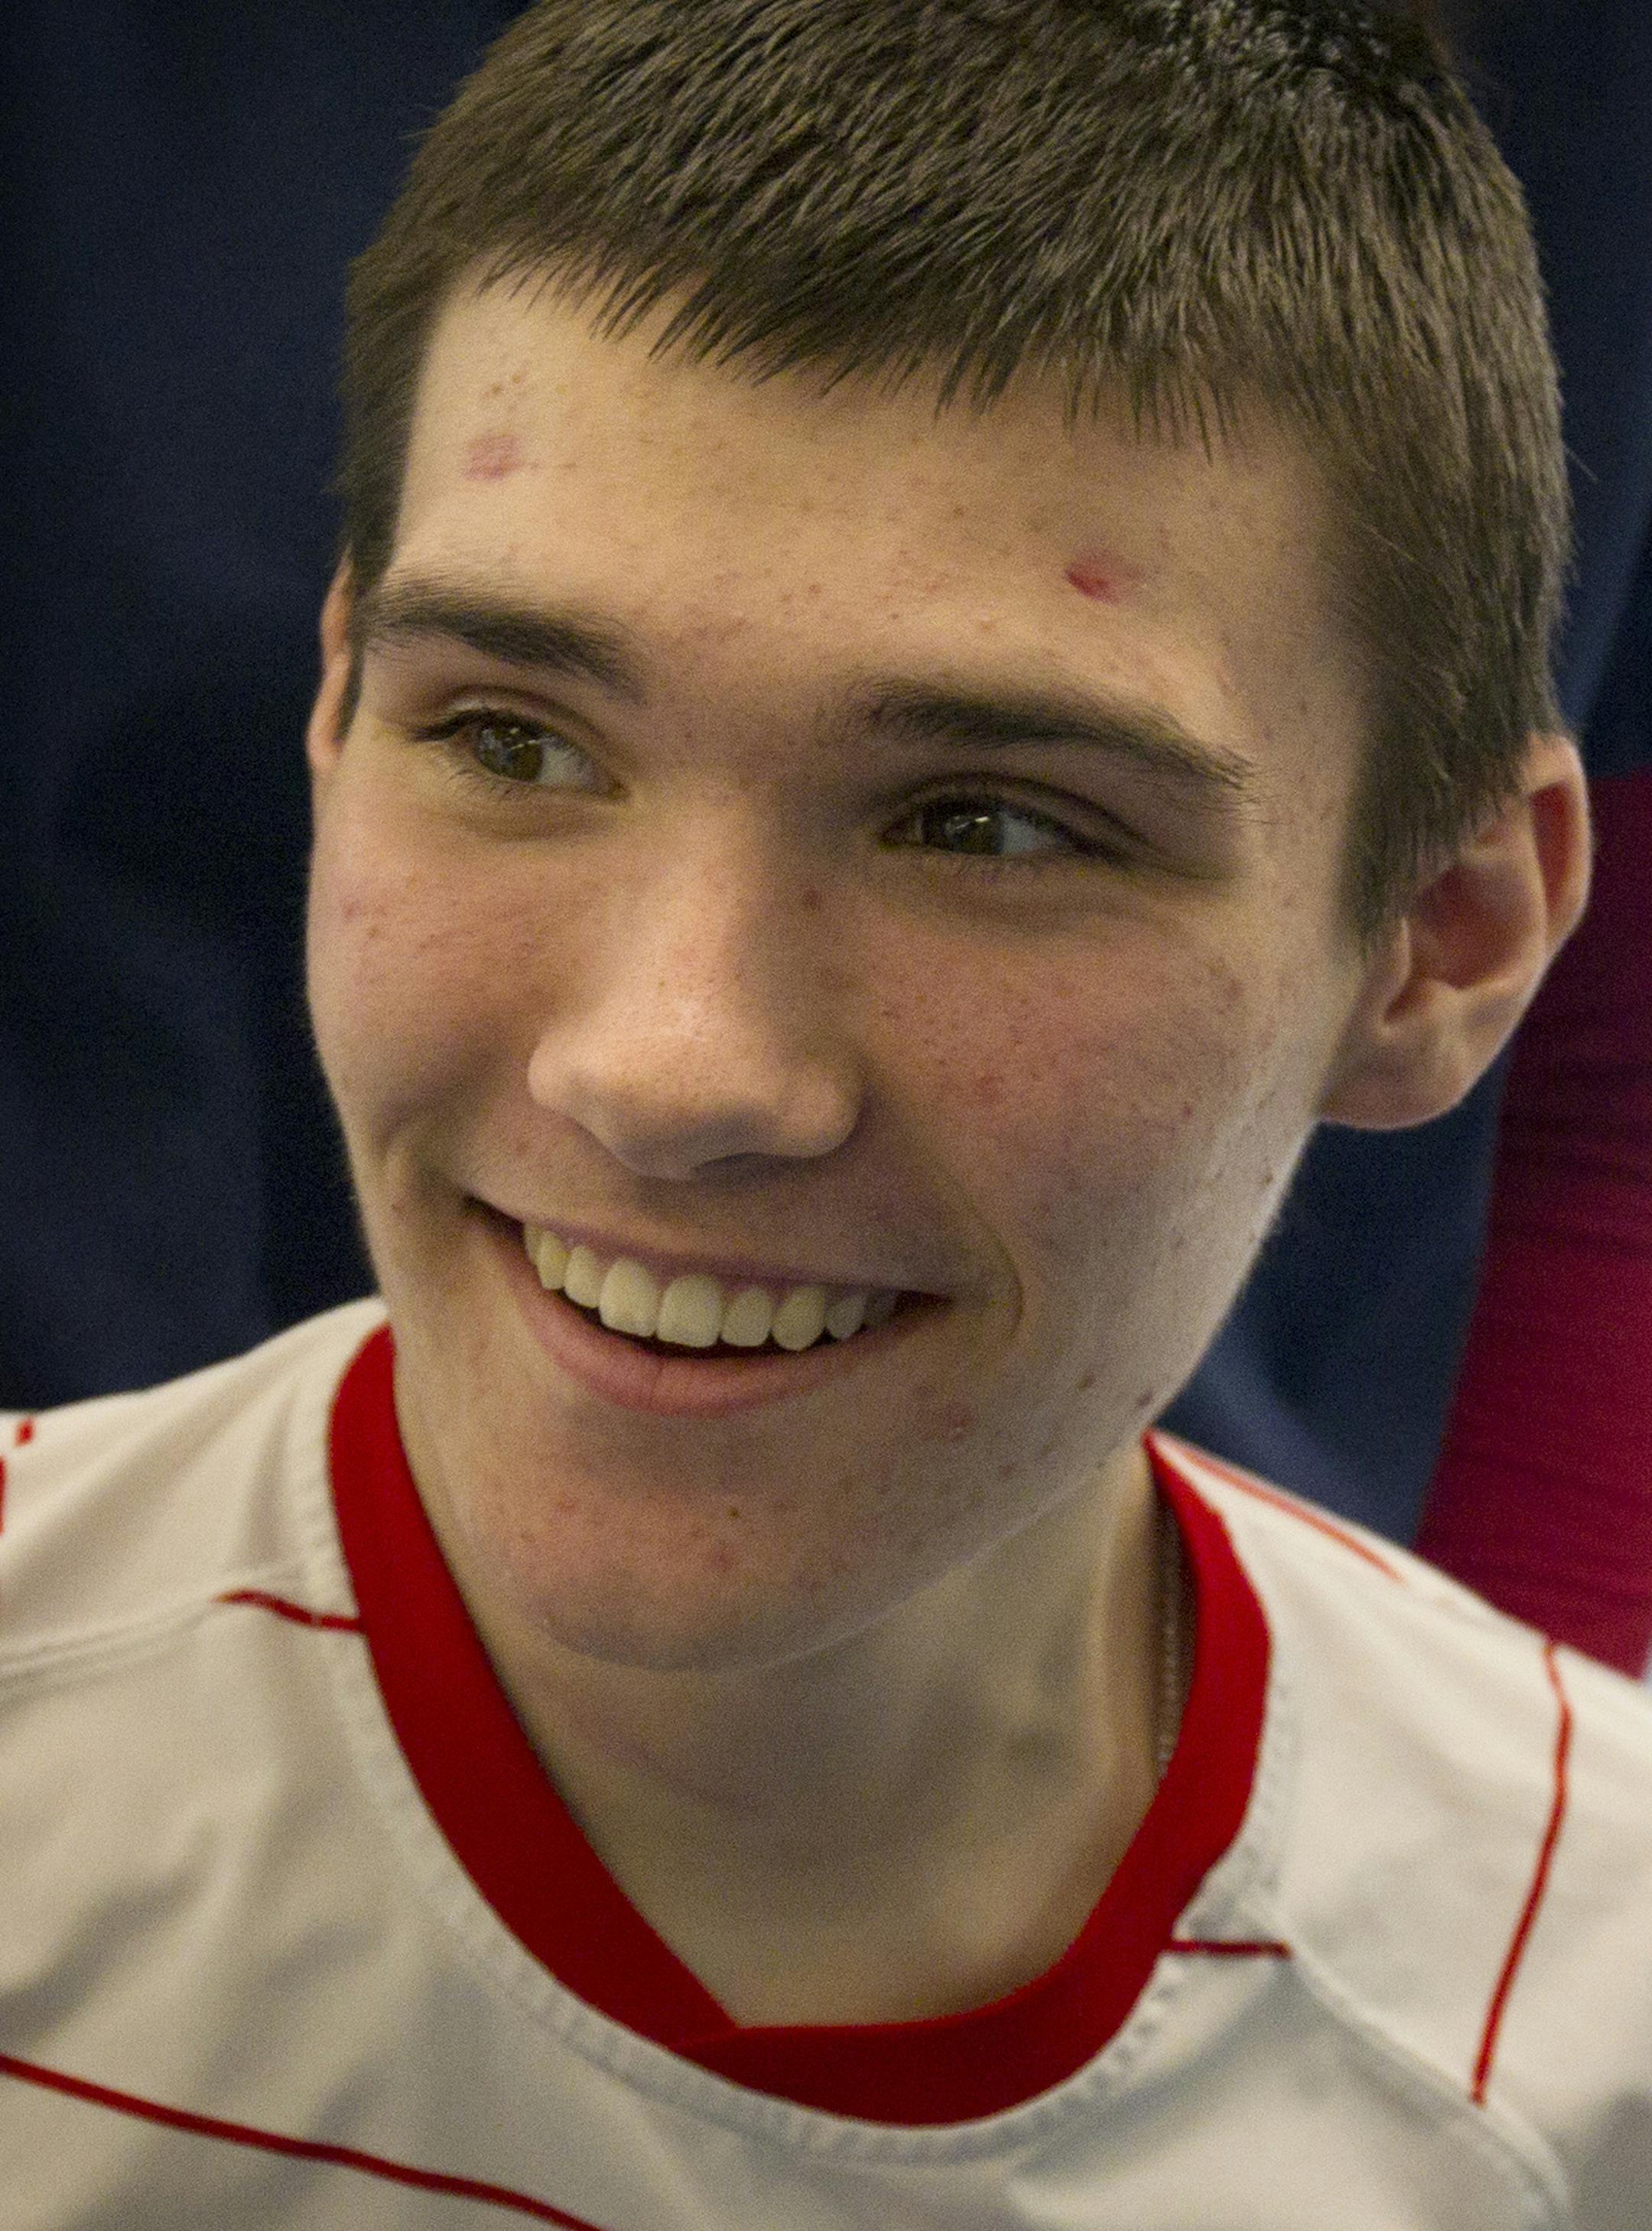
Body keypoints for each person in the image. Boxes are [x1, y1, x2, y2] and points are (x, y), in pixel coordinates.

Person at [2, 3, 1647, 2221]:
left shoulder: (1579, 2062)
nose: (668, 1069)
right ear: (330, 708)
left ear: (1438, 941)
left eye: (988, 824)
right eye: (511, 742)